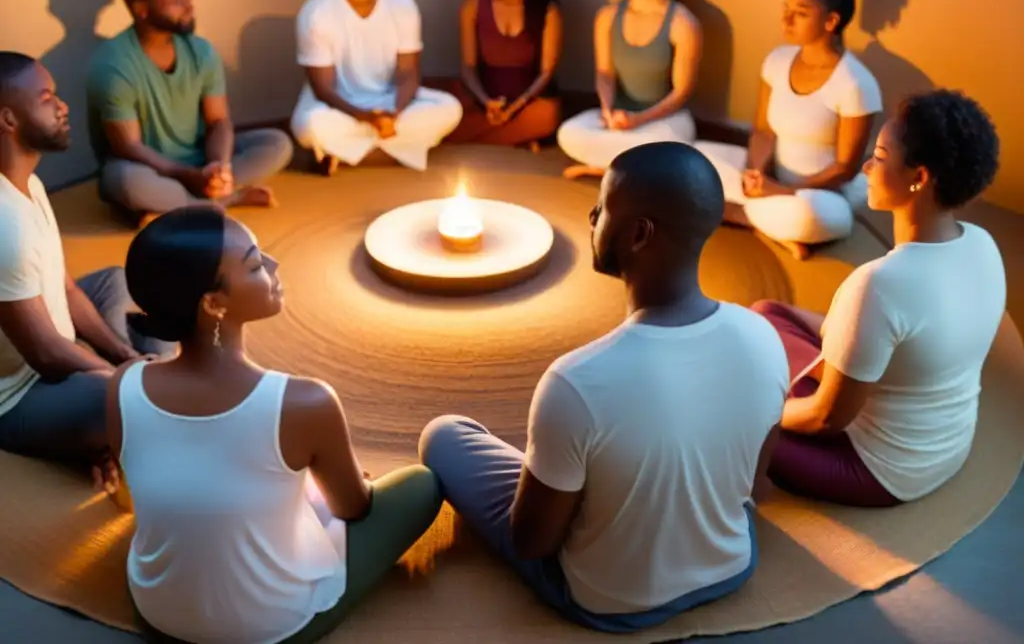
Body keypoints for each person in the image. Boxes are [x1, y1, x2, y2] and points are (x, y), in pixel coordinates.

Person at [419, 142, 788, 632]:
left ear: (639, 234)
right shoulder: (763, 337)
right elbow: (751, 489)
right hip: (731, 566)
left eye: (603, 206)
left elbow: (531, 542)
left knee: (443, 436)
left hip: (611, 600)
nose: (591, 215)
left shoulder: (576, 381)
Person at [110, 206, 442, 643]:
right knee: (421, 484)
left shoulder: (121, 385)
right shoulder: (304, 402)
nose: (273, 265)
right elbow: (353, 509)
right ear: (213, 304)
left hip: (159, 609)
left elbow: (145, 488)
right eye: (254, 264)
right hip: (269, 626)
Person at [754, 90, 1004, 507]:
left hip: (880, 469)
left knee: (718, 418)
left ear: (919, 178)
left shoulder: (879, 283)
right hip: (949, 442)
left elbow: (825, 418)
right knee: (767, 313)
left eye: (881, 156)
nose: (867, 166)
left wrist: (752, 414)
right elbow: (908, 334)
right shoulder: (983, 244)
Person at [0, 52, 173, 475]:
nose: (63, 106)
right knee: (121, 400)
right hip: (18, 394)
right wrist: (126, 378)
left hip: (54, 346)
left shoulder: (30, 183)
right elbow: (45, 354)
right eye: (47, 98)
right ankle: (148, 397)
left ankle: (150, 384)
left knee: (116, 282)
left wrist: (123, 354)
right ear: (8, 119)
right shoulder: (5, 226)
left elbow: (68, 288)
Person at [694, 0, 882, 260]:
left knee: (809, 216)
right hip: (771, 179)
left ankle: (736, 213)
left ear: (831, 21)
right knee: (691, 159)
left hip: (819, 196)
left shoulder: (856, 84)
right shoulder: (777, 61)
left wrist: (780, 189)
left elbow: (845, 169)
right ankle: (761, 222)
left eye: (800, 13)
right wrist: (756, 174)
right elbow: (763, 131)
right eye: (786, 9)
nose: (787, 20)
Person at [86, 0, 294, 227]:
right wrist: (187, 176)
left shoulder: (202, 52)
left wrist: (219, 167)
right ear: (142, 10)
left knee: (277, 144)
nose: (188, 4)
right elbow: (129, 146)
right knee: (127, 183)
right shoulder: (113, 65)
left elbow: (218, 121)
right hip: (148, 169)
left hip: (199, 158)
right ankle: (219, 203)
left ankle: (189, 204)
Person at [291, 0, 462, 174]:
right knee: (310, 126)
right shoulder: (317, 12)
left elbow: (408, 73)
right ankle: (395, 152)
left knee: (450, 108)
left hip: (389, 100)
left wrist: (394, 113)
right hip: (339, 107)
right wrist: (366, 118)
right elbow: (323, 89)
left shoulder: (402, 4)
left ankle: (350, 155)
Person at [557, 0, 701, 180]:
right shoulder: (608, 17)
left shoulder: (682, 23)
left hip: (663, 120)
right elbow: (604, 72)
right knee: (568, 134)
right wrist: (607, 109)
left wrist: (639, 120)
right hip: (620, 119)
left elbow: (681, 93)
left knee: (668, 149)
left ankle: (608, 169)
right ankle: (625, 170)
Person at [437, 0, 563, 148]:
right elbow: (467, 66)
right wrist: (487, 103)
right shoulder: (474, 4)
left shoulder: (547, 11)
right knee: (445, 106)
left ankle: (494, 135)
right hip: (483, 99)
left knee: (549, 114)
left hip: (526, 102)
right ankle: (516, 138)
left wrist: (515, 107)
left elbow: (546, 73)